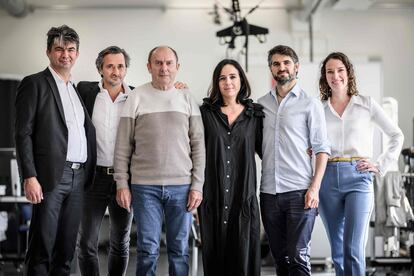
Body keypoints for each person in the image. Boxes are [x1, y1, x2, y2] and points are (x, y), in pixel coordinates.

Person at [114, 46, 205, 276]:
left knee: (180, 250)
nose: (163, 68)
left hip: (182, 188)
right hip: (145, 187)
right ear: (149, 67)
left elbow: (198, 147)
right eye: (158, 63)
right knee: (147, 249)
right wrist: (122, 184)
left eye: (168, 63)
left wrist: (197, 185)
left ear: (177, 67)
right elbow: (123, 145)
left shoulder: (187, 98)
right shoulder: (136, 97)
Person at [14, 25, 96, 275]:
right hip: (50, 177)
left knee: (66, 250)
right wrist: (30, 176)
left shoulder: (76, 89)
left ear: (77, 54)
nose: (65, 55)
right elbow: (22, 133)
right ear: (48, 52)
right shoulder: (34, 84)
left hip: (78, 177)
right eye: (59, 49)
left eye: (71, 50)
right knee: (42, 249)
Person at [318, 52, 404, 276]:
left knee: (353, 249)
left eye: (340, 70)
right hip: (327, 178)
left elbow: (397, 136)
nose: (335, 76)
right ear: (324, 76)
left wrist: (380, 165)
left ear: (348, 73)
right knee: (337, 251)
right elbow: (312, 144)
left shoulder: (366, 104)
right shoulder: (318, 109)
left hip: (358, 177)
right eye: (330, 71)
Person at [258, 45, 330, 275]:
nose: (282, 68)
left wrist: (315, 188)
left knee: (298, 257)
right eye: (276, 64)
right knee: (280, 260)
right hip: (269, 193)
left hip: (300, 192)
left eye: (286, 63)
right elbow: (262, 146)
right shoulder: (260, 105)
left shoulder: (311, 104)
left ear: (296, 67)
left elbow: (321, 149)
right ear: (271, 69)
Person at [199, 59, 263, 276]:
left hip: (242, 198)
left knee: (243, 261)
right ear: (216, 83)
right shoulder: (205, 114)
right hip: (213, 199)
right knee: (214, 261)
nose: (228, 82)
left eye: (232, 76)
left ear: (241, 80)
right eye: (222, 78)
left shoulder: (255, 115)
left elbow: (269, 151)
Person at [76, 46, 134, 276]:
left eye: (120, 66)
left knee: (120, 243)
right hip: (93, 178)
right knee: (86, 243)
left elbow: (163, 97)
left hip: (124, 179)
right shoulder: (85, 91)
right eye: (110, 66)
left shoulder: (136, 96)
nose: (116, 71)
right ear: (101, 69)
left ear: (126, 69)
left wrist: (180, 89)